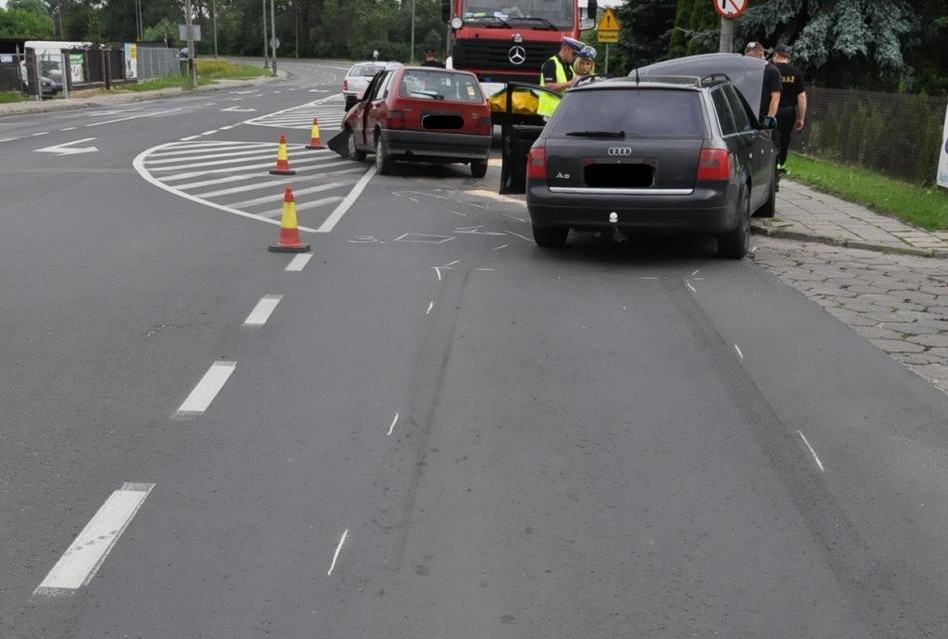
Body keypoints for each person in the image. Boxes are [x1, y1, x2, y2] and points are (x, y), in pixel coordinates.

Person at [771, 43, 807, 173]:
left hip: (771, 112)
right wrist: (801, 118)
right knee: (785, 138)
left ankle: (770, 163)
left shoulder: (770, 69)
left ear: (776, 55)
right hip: (788, 112)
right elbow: (801, 97)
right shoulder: (796, 72)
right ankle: (781, 164)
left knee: (769, 137)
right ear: (788, 57)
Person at [538, 36, 583, 116]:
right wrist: (569, 83)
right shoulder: (551, 63)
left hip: (562, 112)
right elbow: (549, 87)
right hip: (550, 113)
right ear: (566, 49)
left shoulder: (568, 67)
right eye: (574, 53)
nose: (575, 57)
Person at [744, 41, 781, 125]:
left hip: (763, 118)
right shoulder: (746, 70)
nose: (749, 60)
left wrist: (768, 121)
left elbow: (775, 97)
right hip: (747, 117)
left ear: (761, 55)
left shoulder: (771, 71)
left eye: (752, 57)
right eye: (747, 57)